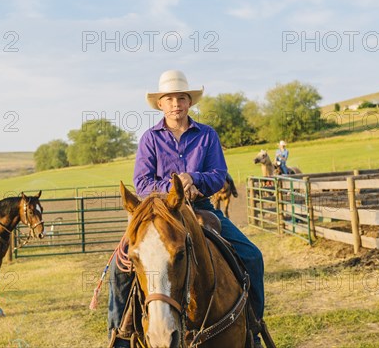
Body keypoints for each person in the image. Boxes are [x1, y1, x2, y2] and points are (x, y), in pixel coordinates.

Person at [108, 70, 266, 348]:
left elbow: (219, 174)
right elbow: (142, 182)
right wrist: (173, 190)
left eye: (181, 98)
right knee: (118, 268)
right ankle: (120, 335)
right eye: (169, 99)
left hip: (201, 207)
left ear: (189, 102)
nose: (175, 104)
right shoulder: (149, 139)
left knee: (252, 256)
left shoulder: (207, 135)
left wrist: (195, 179)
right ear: (160, 104)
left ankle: (252, 325)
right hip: (160, 212)